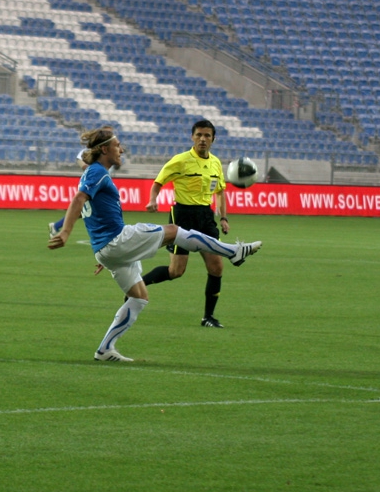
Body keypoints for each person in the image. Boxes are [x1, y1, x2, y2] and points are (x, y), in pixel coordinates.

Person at [48, 126, 261, 362]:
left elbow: (93, 214)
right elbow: (79, 199)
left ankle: (105, 349)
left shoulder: (95, 174)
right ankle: (234, 252)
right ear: (105, 149)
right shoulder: (97, 172)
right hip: (116, 241)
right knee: (174, 231)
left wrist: (108, 255)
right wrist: (65, 232)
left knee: (139, 297)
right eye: (117, 146)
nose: (121, 150)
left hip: (107, 249)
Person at [142, 119, 232, 328]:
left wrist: (223, 218)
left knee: (217, 267)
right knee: (176, 271)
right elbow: (158, 182)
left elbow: (220, 192)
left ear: (213, 139)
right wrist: (153, 199)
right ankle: (137, 285)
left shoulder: (216, 163)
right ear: (192, 137)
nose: (202, 139)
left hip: (205, 217)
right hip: (183, 216)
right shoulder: (180, 160)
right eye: (199, 135)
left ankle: (208, 317)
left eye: (207, 135)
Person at [48, 147, 116, 238]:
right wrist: (89, 169)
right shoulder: (92, 151)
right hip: (93, 184)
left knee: (81, 211)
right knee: (92, 209)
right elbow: (79, 158)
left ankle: (56, 226)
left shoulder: (108, 154)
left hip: (101, 185)